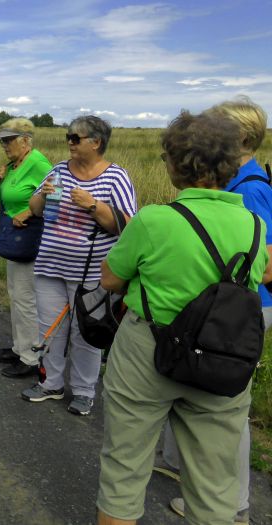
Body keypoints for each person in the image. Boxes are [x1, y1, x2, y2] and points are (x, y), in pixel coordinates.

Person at [96, 110, 272, 525]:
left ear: (175, 164)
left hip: (148, 349)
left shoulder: (154, 220)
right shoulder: (253, 224)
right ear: (230, 163)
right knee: (215, 484)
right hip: (223, 355)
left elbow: (109, 279)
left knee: (125, 469)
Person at [152, 97, 271, 524]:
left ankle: (232, 499)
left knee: (227, 406)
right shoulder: (237, 181)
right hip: (217, 308)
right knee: (202, 390)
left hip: (234, 312)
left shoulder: (251, 189)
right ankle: (187, 469)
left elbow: (266, 259)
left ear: (238, 137)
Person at [20, 115, 136, 416]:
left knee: (86, 332)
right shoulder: (58, 170)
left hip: (91, 272)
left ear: (96, 142)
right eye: (68, 137)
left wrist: (93, 205)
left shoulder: (116, 177)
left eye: (75, 138)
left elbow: (128, 225)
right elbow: (34, 209)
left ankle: (84, 391)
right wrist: (42, 197)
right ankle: (51, 384)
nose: (69, 143)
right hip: (50, 265)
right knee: (50, 329)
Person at [0, 118, 53, 377]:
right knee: (16, 294)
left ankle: (31, 358)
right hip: (13, 236)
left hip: (30, 237)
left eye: (9, 140)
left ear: (26, 140)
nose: (4, 145)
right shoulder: (14, 165)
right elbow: (5, 197)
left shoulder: (39, 164)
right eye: (3, 140)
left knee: (26, 299)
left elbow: (53, 194)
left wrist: (28, 212)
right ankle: (19, 347)